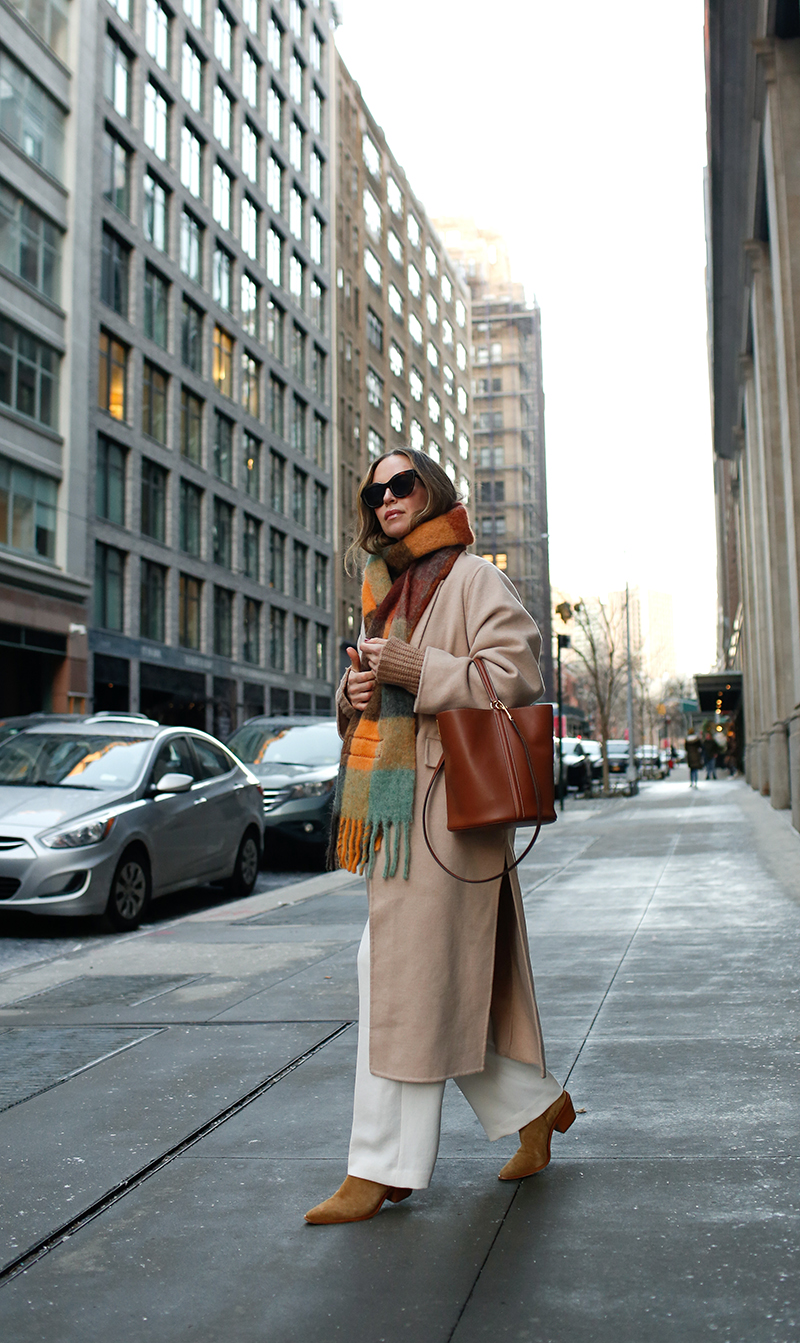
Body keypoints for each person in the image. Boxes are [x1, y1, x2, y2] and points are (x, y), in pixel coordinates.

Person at [305, 449, 574, 1227]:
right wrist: (354, 691)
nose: (387, 498)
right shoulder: (382, 591)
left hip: (450, 812)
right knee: (425, 978)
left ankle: (379, 1167)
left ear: (433, 491)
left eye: (403, 484)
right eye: (374, 492)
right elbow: (375, 703)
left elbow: (514, 675)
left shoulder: (473, 578)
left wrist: (414, 668)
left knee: (399, 976)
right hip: (399, 813)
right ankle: (536, 1106)